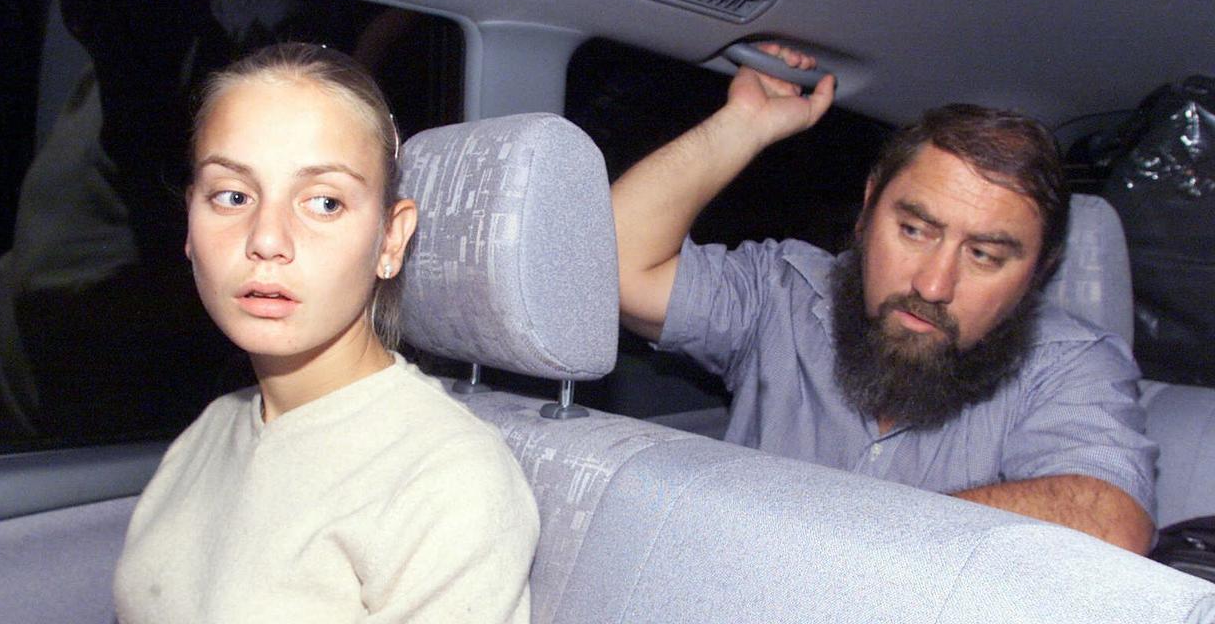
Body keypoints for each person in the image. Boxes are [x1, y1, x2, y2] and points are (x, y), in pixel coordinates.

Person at [613, 44, 1156, 554]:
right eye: (916, 230)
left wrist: (848, 538)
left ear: (1039, 272)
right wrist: (741, 128)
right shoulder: (781, 293)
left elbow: (1110, 521)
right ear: (869, 209)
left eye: (984, 256)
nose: (932, 285)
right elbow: (608, 269)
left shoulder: (1070, 365)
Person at [113, 43, 539, 623]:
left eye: (324, 202)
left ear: (391, 239)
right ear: (190, 222)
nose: (266, 238)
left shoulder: (449, 481)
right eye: (232, 196)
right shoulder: (212, 430)